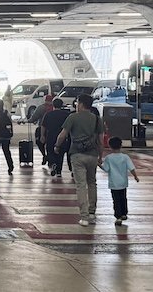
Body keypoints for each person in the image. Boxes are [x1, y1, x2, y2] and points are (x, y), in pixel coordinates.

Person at [55, 94, 105, 227]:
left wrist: (57, 146)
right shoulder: (96, 119)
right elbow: (101, 141)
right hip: (93, 155)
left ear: (81, 104)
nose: (76, 105)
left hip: (77, 155)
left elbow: (62, 135)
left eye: (77, 103)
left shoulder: (72, 117)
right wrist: (100, 156)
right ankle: (92, 213)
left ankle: (84, 217)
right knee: (92, 183)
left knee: (81, 185)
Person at [100, 137, 139, 226]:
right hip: (123, 183)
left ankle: (118, 217)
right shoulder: (125, 157)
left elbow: (106, 169)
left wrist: (99, 164)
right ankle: (124, 213)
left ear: (110, 146)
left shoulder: (108, 158)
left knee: (116, 200)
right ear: (121, 145)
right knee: (123, 198)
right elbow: (131, 168)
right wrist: (135, 177)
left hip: (114, 183)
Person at [40, 99, 71, 177]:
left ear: (53, 105)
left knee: (50, 151)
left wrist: (42, 135)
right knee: (60, 154)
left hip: (50, 136)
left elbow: (43, 126)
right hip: (62, 136)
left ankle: (53, 163)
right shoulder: (66, 114)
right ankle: (59, 172)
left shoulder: (48, 114)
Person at [27, 95, 55, 166]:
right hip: (53, 130)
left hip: (42, 129)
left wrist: (28, 120)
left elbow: (33, 118)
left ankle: (44, 155)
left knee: (39, 142)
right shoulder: (55, 108)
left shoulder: (41, 108)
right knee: (51, 145)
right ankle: (51, 158)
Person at [0, 99, 14, 175]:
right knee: (7, 151)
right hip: (6, 136)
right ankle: (10, 166)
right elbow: (10, 123)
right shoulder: (7, 113)